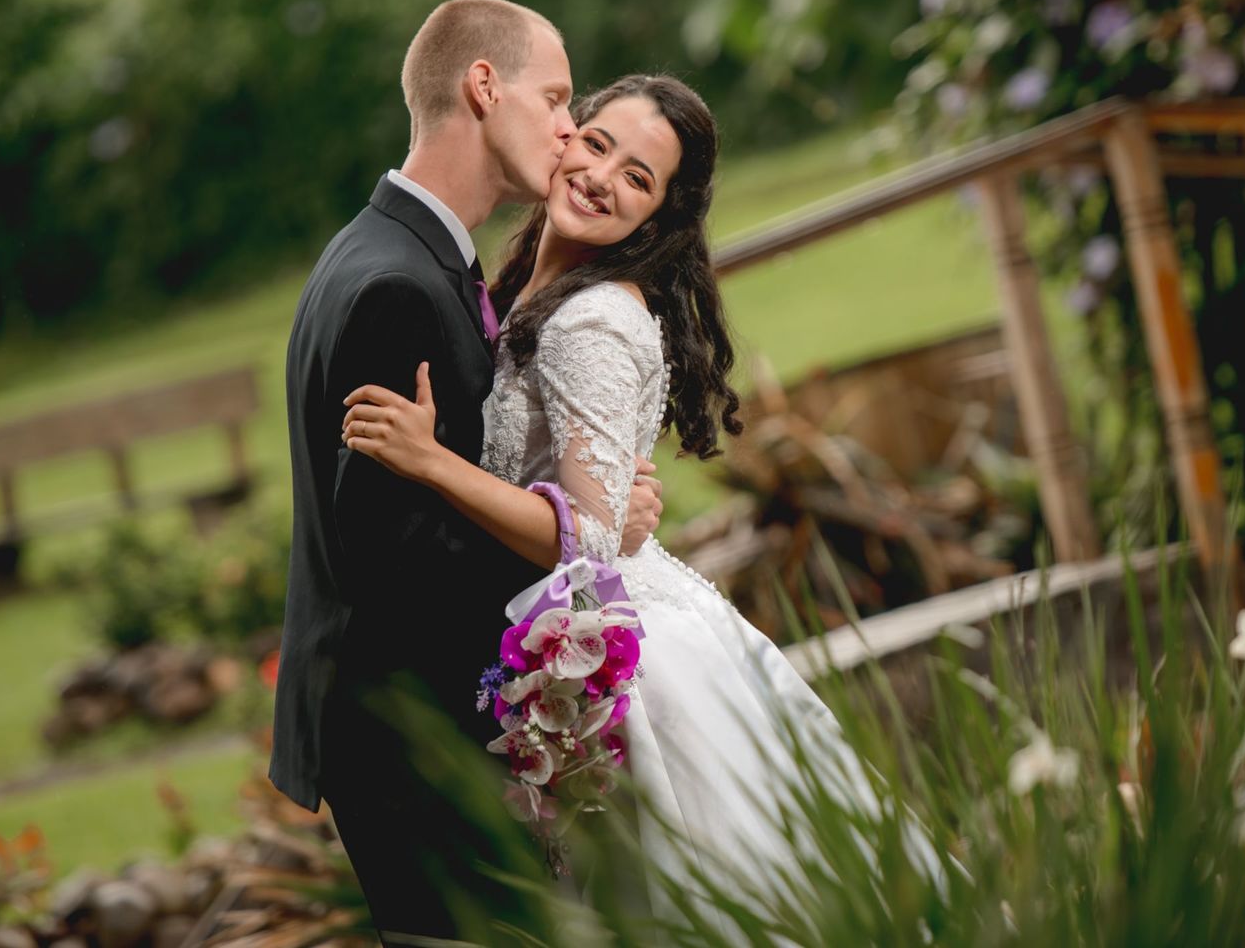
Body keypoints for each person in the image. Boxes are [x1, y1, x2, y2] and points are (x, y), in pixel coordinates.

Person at [342, 74, 925, 926]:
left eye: (639, 179)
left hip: (627, 665)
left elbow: (585, 540)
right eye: (598, 144)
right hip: (592, 626)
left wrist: (432, 463)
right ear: (566, 137)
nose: (602, 178)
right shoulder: (524, 293)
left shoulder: (593, 322)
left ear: (656, 219)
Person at [268, 0, 665, 946]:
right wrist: (586, 540)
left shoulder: (398, 254)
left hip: (409, 731)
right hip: (416, 739)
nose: (571, 129)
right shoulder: (398, 287)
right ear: (483, 86)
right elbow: (401, 564)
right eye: (558, 96)